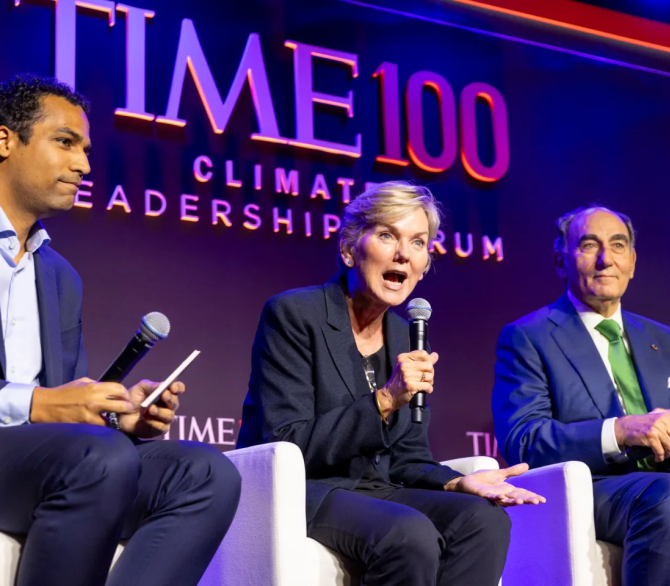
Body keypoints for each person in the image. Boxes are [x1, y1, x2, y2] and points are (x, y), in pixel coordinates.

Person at [238, 181, 544, 586]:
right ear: (349, 248)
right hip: (304, 490)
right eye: (387, 235)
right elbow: (287, 441)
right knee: (409, 535)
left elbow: (408, 458)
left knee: (483, 520)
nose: (403, 253)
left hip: (377, 490)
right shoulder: (295, 314)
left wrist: (454, 481)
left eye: (418, 242)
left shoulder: (405, 337)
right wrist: (384, 400)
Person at [0, 73, 241, 586]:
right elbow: (52, 406)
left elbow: (72, 411)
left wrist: (117, 418)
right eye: (65, 143)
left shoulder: (60, 276)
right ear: (5, 140)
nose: (83, 164)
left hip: (51, 461)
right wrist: (41, 404)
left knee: (205, 476)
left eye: (86, 149)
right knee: (97, 459)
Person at [493, 205, 670, 585]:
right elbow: (522, 441)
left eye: (618, 245)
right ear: (561, 261)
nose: (606, 259)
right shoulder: (529, 337)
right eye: (590, 245)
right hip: (592, 488)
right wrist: (620, 431)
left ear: (633, 261)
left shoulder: (663, 339)